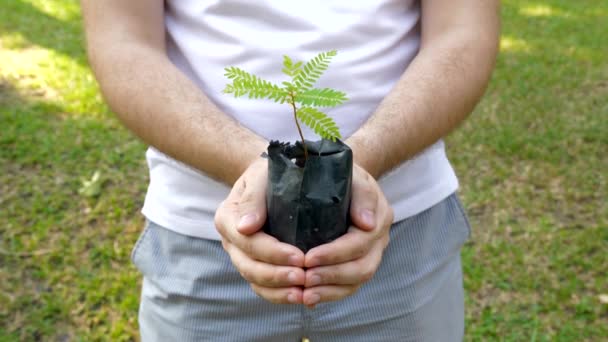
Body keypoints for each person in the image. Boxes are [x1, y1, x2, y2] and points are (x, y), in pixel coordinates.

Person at [82, 0, 499, 340]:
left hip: (403, 235)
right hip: (203, 237)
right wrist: (262, 169)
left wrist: (348, 163)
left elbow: (463, 32)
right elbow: (122, 43)